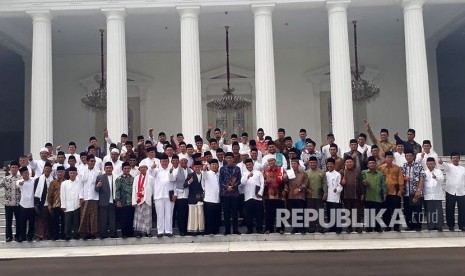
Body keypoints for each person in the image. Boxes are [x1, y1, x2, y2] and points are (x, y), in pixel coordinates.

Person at [438, 152, 465, 231]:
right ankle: (451, 225)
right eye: (453, 158)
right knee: (450, 209)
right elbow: (444, 165)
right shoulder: (449, 167)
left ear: (459, 159)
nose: (455, 159)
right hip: (450, 191)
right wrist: (441, 162)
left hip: (462, 192)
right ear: (451, 159)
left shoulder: (463, 169)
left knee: (462, 210)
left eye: (456, 158)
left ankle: (462, 225)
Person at [379, 151, 404, 232]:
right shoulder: (381, 168)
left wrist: (400, 190)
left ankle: (396, 227)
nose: (389, 159)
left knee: (396, 209)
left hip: (395, 192)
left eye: (391, 157)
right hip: (385, 192)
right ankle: (387, 226)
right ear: (385, 158)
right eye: (387, 157)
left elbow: (400, 179)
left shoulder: (397, 168)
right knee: (386, 210)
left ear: (393, 158)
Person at [78, 154, 101, 240]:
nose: (93, 163)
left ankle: (95, 233)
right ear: (87, 161)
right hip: (85, 197)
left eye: (94, 161)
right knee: (84, 216)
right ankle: (85, 233)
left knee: (94, 216)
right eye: (91, 161)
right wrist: (81, 197)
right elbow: (80, 185)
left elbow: (99, 185)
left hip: (95, 197)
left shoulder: (98, 172)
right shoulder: (82, 171)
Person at [152, 154, 175, 237]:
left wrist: (175, 194)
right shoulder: (157, 171)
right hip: (159, 196)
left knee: (169, 214)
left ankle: (168, 231)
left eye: (166, 161)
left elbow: (174, 182)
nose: (164, 163)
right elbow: (150, 173)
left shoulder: (171, 170)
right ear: (160, 162)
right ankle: (160, 231)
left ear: (168, 162)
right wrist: (152, 167)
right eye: (163, 161)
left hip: (169, 196)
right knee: (160, 215)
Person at [402, 149, 425, 231]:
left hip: (415, 192)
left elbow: (422, 178)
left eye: (410, 155)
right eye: (406, 156)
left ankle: (418, 226)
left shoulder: (419, 166)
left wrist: (419, 190)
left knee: (417, 210)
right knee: (408, 211)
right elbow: (401, 178)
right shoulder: (404, 166)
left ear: (413, 156)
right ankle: (410, 226)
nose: (408, 157)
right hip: (406, 193)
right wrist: (404, 178)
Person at [263, 157, 288, 234]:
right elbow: (262, 182)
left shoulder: (281, 170)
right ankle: (268, 229)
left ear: (275, 161)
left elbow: (286, 181)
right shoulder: (265, 171)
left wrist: (285, 190)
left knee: (281, 213)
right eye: (269, 161)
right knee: (269, 213)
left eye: (272, 160)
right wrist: (265, 181)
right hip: (269, 195)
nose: (271, 162)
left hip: (280, 195)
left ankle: (280, 229)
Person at [219, 152, 242, 235]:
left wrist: (232, 187)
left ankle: (235, 230)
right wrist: (226, 187)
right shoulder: (222, 169)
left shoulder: (237, 169)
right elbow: (220, 181)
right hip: (225, 194)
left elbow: (239, 180)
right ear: (225, 159)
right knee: (226, 213)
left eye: (230, 158)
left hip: (234, 194)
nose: (229, 159)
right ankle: (227, 230)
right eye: (227, 158)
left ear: (233, 159)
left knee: (235, 213)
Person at [240, 158, 265, 234]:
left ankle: (259, 229)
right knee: (248, 215)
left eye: (250, 164)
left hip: (257, 197)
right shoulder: (244, 174)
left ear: (253, 164)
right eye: (247, 165)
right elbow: (241, 184)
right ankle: (249, 229)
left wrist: (260, 193)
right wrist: (247, 176)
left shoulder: (258, 173)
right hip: (248, 197)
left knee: (259, 215)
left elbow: (262, 184)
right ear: (245, 166)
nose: (249, 166)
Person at [362, 156, 386, 232]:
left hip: (377, 196)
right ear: (367, 165)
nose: (371, 164)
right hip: (367, 196)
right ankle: (369, 228)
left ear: (375, 164)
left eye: (373, 163)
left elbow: (383, 185)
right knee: (368, 213)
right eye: (370, 163)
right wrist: (363, 182)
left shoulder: (380, 174)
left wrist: (384, 194)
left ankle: (377, 228)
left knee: (377, 213)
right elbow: (360, 184)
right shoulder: (364, 173)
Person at [170, 156, 192, 236]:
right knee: (181, 214)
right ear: (180, 162)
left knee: (187, 213)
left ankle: (187, 229)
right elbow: (173, 182)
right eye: (182, 161)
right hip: (179, 195)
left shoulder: (190, 170)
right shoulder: (176, 170)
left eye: (185, 161)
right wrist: (175, 194)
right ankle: (181, 230)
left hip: (188, 195)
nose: (184, 163)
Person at [0, 161, 22, 242]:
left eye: (16, 167)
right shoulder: (6, 179)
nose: (14, 169)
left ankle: (18, 236)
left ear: (18, 168)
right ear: (10, 168)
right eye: (12, 167)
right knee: (8, 221)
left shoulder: (21, 178)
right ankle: (9, 237)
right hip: (8, 203)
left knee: (19, 221)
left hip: (18, 203)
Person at [341, 157, 363, 233]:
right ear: (345, 164)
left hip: (356, 195)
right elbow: (339, 184)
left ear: (353, 163)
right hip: (346, 195)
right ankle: (349, 227)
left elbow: (361, 183)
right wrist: (342, 183)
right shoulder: (342, 172)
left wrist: (362, 193)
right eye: (347, 162)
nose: (349, 163)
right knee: (348, 212)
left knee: (357, 212)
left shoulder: (357, 171)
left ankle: (358, 227)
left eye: (350, 162)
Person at [286, 158, 308, 234]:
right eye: (292, 164)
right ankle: (295, 228)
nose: (293, 165)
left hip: (300, 196)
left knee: (301, 212)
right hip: (291, 196)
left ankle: (302, 228)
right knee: (293, 212)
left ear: (298, 165)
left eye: (295, 164)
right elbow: (285, 183)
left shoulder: (303, 173)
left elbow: (305, 183)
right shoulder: (288, 173)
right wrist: (284, 178)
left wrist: (299, 189)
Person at [305, 156, 327, 233]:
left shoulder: (321, 172)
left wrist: (325, 193)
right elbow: (304, 184)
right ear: (309, 163)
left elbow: (324, 183)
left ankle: (321, 228)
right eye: (311, 162)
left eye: (314, 162)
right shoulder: (306, 172)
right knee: (311, 212)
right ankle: (311, 228)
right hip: (309, 195)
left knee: (320, 212)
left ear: (317, 163)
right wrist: (307, 190)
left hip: (319, 195)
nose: (312, 164)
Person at [96, 162, 117, 239]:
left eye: (110, 168)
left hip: (113, 200)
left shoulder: (116, 177)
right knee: (103, 219)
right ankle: (103, 234)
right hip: (103, 201)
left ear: (112, 168)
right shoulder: (100, 177)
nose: (108, 169)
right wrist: (97, 186)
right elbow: (96, 189)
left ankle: (113, 233)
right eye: (107, 168)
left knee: (112, 219)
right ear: (104, 169)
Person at [132, 164, 154, 238]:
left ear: (147, 168)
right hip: (139, 199)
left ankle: (148, 231)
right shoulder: (136, 178)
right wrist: (134, 200)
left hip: (147, 199)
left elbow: (153, 189)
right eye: (141, 168)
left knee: (147, 216)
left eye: (144, 167)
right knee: (139, 217)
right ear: (139, 169)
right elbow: (134, 189)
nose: (143, 169)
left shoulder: (150, 178)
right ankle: (139, 232)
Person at [60, 167, 82, 240]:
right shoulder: (64, 183)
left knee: (76, 221)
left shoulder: (79, 183)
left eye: (74, 173)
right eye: (71, 173)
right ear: (68, 174)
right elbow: (62, 195)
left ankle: (76, 234)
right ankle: (67, 235)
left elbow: (81, 193)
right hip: (67, 205)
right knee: (68, 221)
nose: (72, 174)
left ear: (76, 174)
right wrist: (63, 205)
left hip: (76, 204)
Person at [34, 162, 54, 241]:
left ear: (51, 170)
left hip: (51, 203)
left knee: (50, 220)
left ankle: (48, 235)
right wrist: (36, 204)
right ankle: (40, 235)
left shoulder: (53, 180)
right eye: (46, 168)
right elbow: (35, 192)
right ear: (43, 169)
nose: (47, 170)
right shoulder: (38, 180)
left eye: (49, 169)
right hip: (42, 203)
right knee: (41, 219)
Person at [114, 161, 135, 238]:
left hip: (131, 201)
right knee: (123, 218)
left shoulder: (133, 178)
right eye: (125, 168)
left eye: (128, 168)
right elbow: (117, 190)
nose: (127, 170)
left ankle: (130, 232)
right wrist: (118, 200)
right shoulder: (119, 179)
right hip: (123, 201)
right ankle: (124, 233)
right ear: (122, 169)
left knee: (130, 217)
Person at [184, 161, 205, 235]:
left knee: (200, 214)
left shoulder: (203, 175)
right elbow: (184, 185)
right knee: (193, 215)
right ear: (193, 168)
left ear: (201, 167)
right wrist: (189, 182)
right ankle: (193, 230)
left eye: (199, 167)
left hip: (201, 197)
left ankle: (201, 230)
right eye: (196, 167)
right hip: (192, 197)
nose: (197, 168)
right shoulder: (190, 175)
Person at [424, 157, 444, 231]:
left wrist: (436, 177)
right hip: (428, 194)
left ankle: (439, 226)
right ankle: (431, 226)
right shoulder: (425, 172)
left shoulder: (439, 171)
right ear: (426, 164)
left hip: (437, 194)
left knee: (438, 211)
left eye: (432, 163)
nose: (430, 165)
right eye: (429, 164)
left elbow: (441, 180)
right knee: (430, 211)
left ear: (435, 164)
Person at [16, 166, 36, 242]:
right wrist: (21, 182)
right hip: (23, 205)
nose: (27, 174)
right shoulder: (19, 181)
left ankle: (30, 236)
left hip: (32, 204)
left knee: (32, 222)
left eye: (27, 172)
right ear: (21, 174)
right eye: (25, 173)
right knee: (22, 222)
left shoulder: (33, 180)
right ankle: (22, 236)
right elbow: (18, 184)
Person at [202, 160, 222, 235]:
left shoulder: (219, 174)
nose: (214, 166)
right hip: (209, 199)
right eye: (212, 164)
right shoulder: (207, 173)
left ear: (218, 166)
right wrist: (204, 167)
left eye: (216, 164)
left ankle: (216, 230)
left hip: (217, 198)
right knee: (209, 216)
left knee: (216, 216)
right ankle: (209, 231)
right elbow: (204, 172)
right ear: (210, 166)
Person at [325, 158, 343, 234]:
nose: (329, 165)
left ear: (334, 165)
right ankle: (331, 228)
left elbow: (340, 186)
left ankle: (338, 228)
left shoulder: (338, 174)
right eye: (328, 164)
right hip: (328, 197)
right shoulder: (325, 174)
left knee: (337, 213)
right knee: (329, 213)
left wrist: (337, 189)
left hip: (336, 197)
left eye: (331, 164)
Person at [47, 166, 66, 240]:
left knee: (64, 221)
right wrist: (49, 204)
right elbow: (49, 194)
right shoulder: (53, 182)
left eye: (62, 172)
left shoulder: (67, 181)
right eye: (59, 172)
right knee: (55, 221)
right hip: (56, 204)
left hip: (65, 205)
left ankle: (63, 235)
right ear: (56, 173)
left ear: (64, 173)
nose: (60, 173)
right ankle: (55, 236)